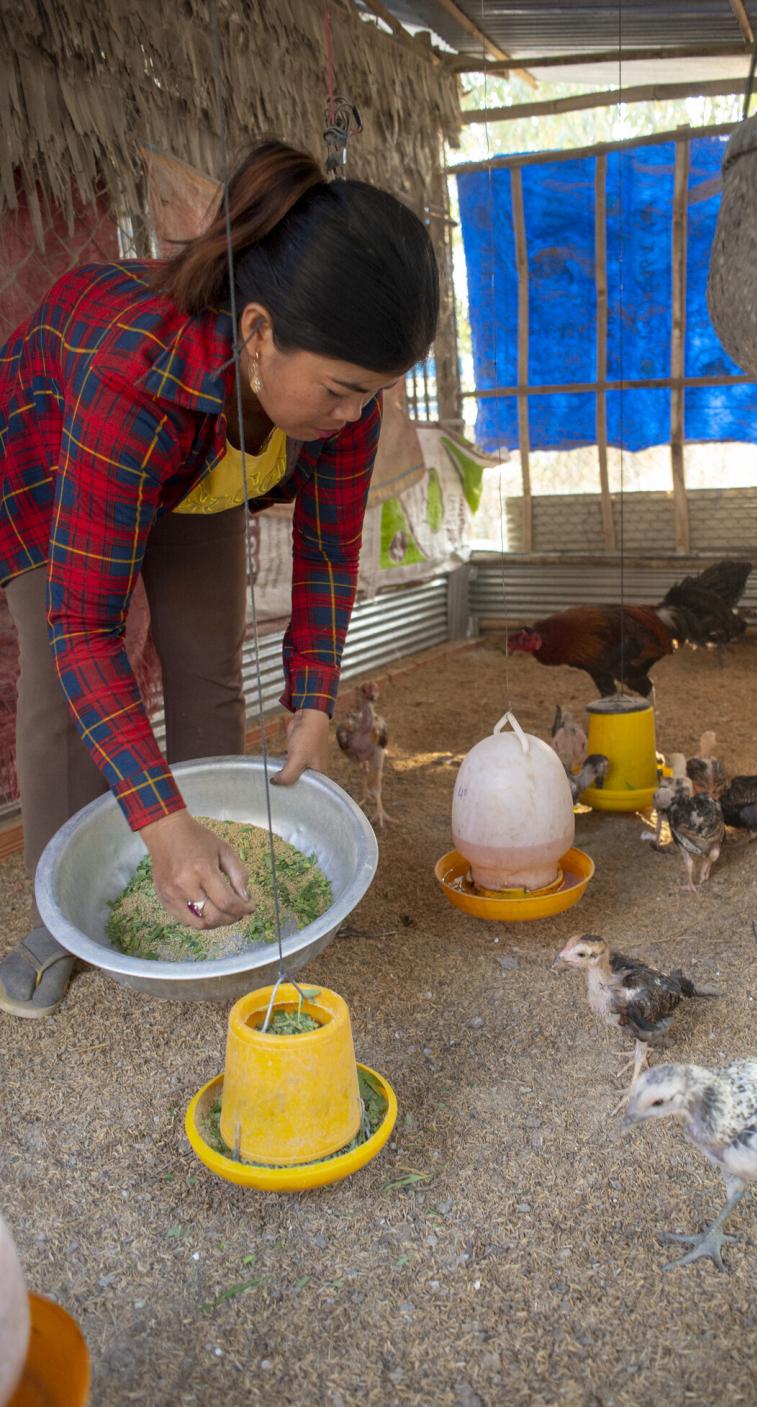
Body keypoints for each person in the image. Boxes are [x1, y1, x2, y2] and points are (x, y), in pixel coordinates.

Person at [0, 139, 439, 1017]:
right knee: (62, 695)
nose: (355, 417)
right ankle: (56, 923)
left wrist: (313, 702)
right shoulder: (131, 374)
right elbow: (85, 632)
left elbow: (324, 553)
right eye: (343, 392)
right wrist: (157, 820)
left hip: (198, 466)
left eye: (373, 395)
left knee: (208, 668)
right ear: (258, 334)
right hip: (60, 457)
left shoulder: (340, 391)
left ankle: (221, 879)